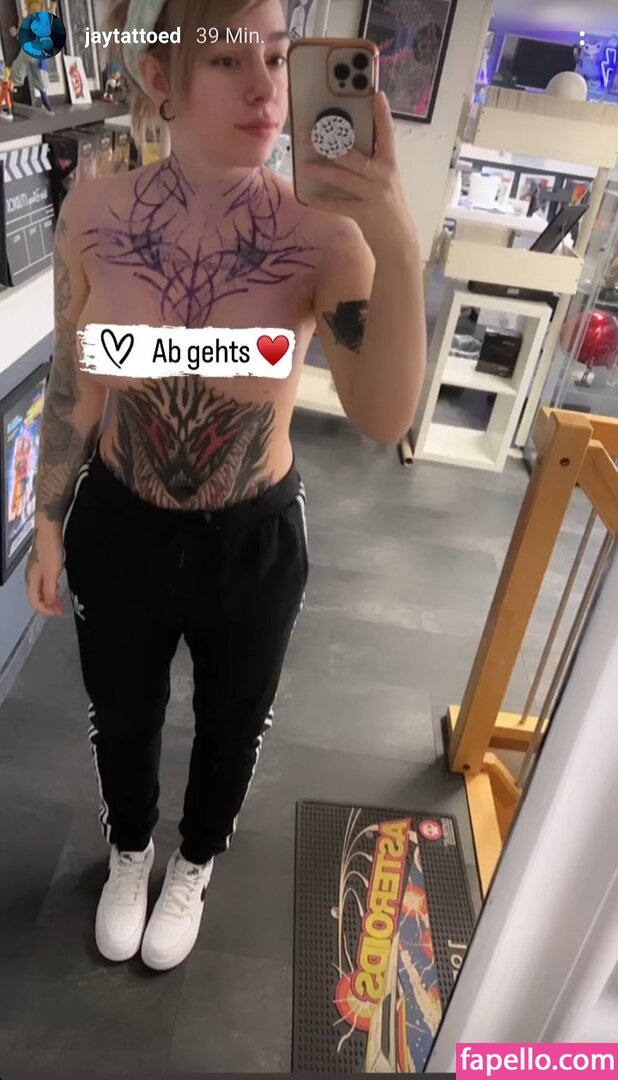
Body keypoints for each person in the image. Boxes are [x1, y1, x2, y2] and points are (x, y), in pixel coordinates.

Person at [25, 0, 425, 972]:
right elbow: (76, 376)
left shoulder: (324, 237)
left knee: (232, 722)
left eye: (278, 59)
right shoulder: (93, 215)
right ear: (161, 77)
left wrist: (395, 237)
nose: (265, 89)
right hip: (120, 520)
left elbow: (383, 416)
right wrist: (49, 517)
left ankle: (194, 864)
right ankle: (130, 854)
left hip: (252, 535)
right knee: (120, 713)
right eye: (227, 60)